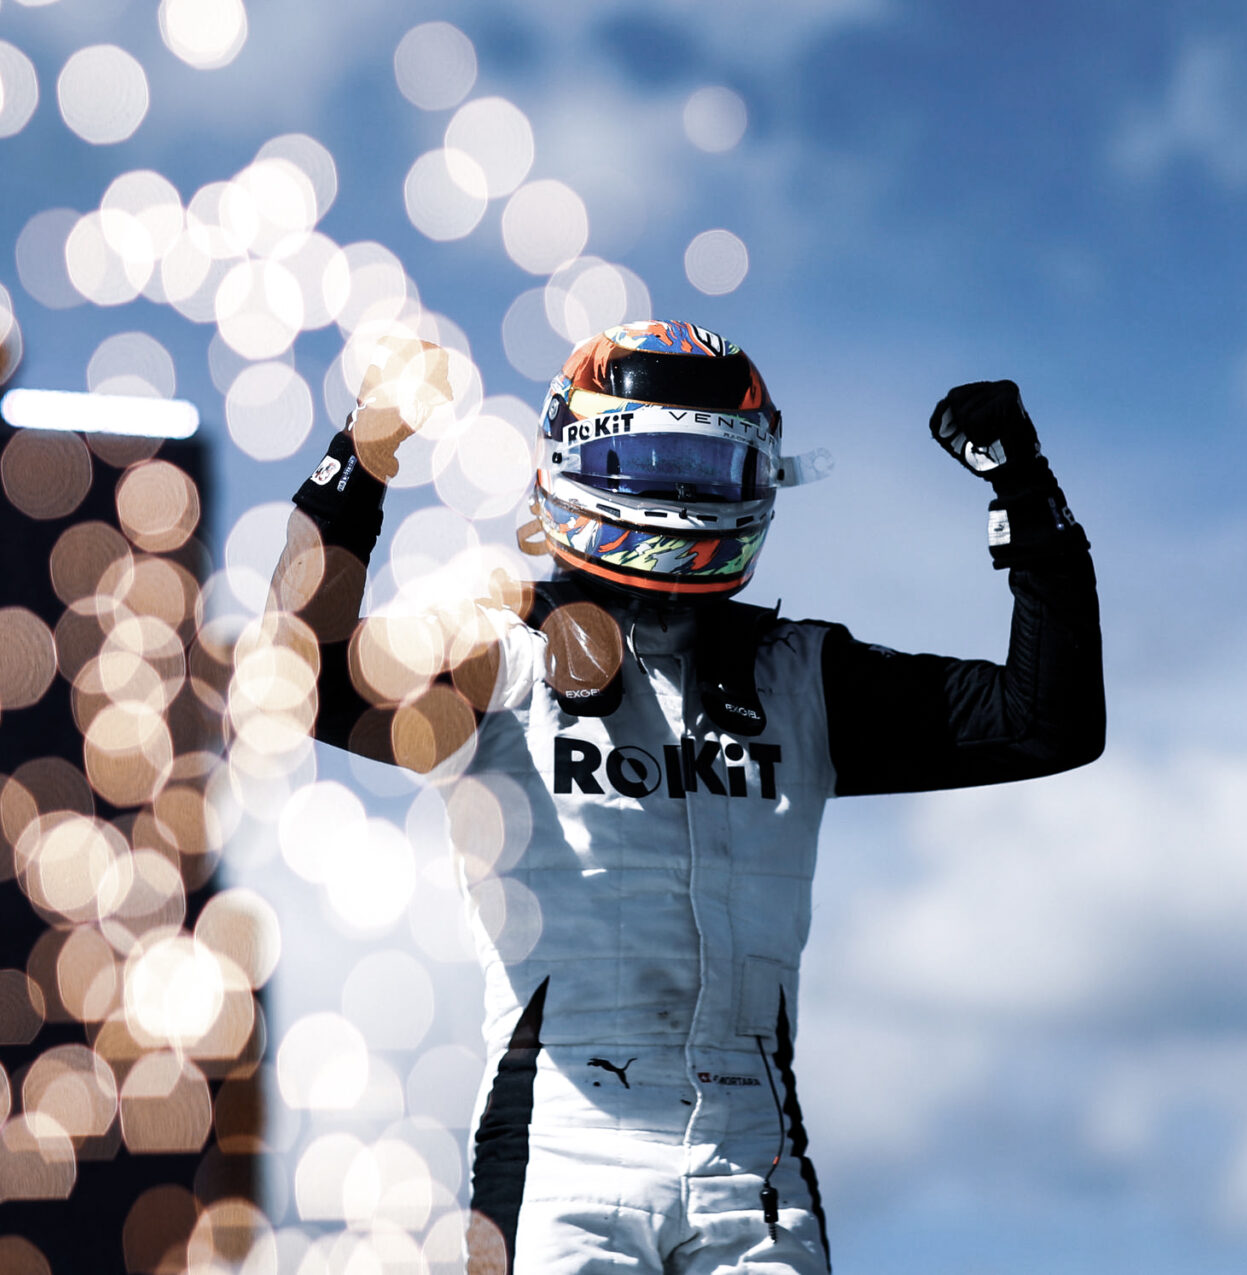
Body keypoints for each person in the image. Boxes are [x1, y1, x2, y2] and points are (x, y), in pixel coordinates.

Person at [274, 319, 1104, 1275]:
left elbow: (1049, 720)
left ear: (760, 476)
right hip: (559, 1153)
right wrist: (360, 459)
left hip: (754, 1163)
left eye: (706, 466)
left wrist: (1023, 486)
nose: (675, 492)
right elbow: (300, 681)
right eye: (647, 457)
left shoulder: (803, 674)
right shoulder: (501, 654)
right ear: (570, 461)